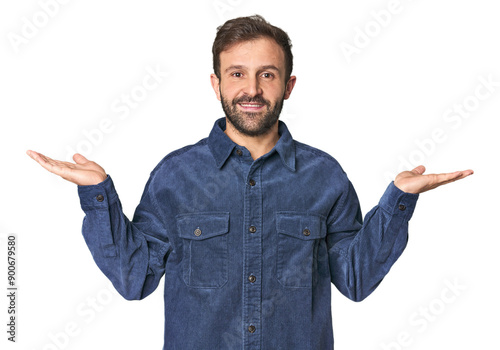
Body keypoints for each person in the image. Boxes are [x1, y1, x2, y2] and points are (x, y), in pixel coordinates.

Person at [27, 14, 473, 350]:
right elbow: (134, 280)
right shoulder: (175, 176)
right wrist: (97, 194)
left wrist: (399, 200)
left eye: (267, 74)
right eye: (237, 73)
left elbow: (355, 279)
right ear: (216, 82)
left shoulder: (325, 177)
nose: (252, 89)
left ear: (288, 85)